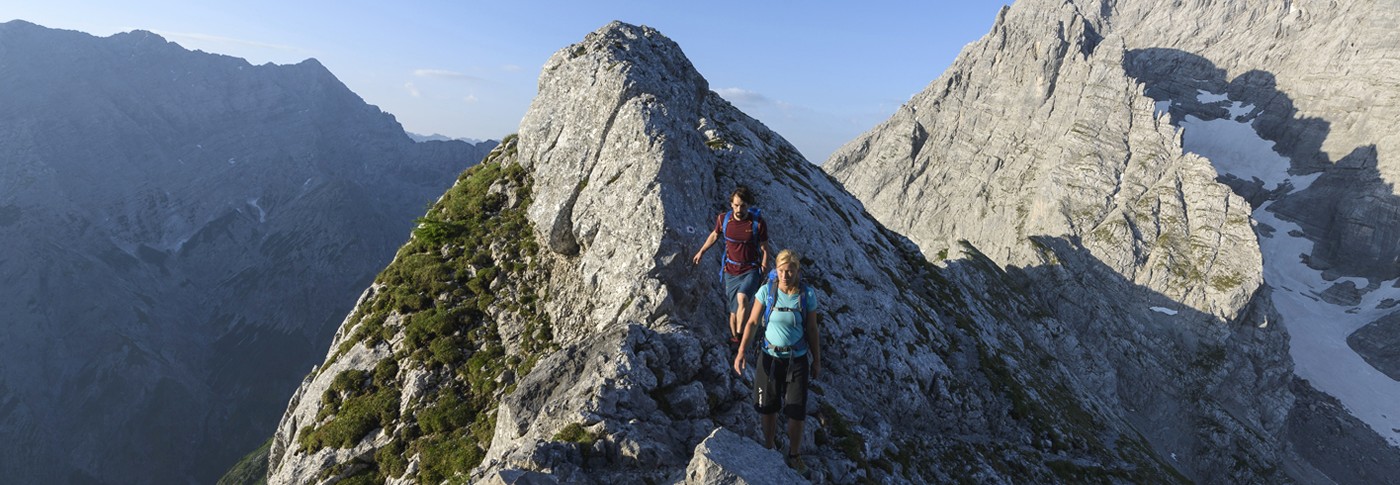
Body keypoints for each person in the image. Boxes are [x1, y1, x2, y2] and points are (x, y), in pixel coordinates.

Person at [732, 249, 820, 473]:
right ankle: (769, 448)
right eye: (781, 271)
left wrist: (816, 360)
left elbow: (811, 329)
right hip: (769, 358)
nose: (785, 275)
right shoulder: (766, 291)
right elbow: (752, 323)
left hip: (797, 361)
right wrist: (741, 351)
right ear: (776, 269)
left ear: (797, 271)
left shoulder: (806, 295)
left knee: (796, 411)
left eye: (790, 271)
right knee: (767, 407)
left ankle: (794, 454)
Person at [692, 186, 770, 346]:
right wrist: (702, 251)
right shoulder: (724, 220)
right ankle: (735, 337)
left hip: (751, 269)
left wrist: (764, 265)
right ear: (731, 205)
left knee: (742, 299)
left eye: (742, 205)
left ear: (748, 205)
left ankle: (741, 337)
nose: (739, 209)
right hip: (731, 271)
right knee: (733, 313)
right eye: (736, 205)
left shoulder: (757, 223)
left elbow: (764, 247)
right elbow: (714, 235)